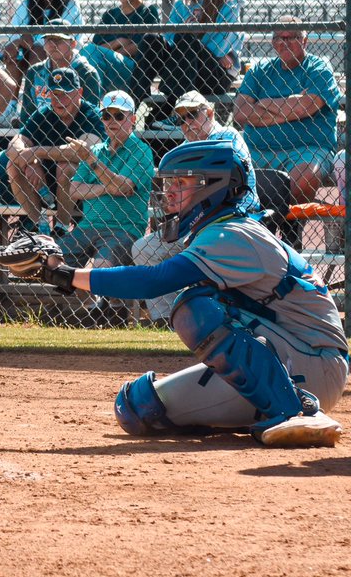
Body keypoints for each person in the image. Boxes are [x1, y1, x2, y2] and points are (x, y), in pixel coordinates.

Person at [37, 139, 345, 448]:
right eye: (170, 182)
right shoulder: (221, 229)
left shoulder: (234, 234)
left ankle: (294, 410)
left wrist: (64, 274)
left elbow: (155, 280)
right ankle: (266, 407)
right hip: (289, 353)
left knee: (192, 308)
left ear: (214, 186)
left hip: (314, 363)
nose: (169, 192)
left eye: (181, 182)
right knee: (137, 407)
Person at [131, 91, 257, 322]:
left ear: (209, 113)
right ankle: (168, 319)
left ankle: (207, 315)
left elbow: (229, 183)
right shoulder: (185, 146)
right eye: (181, 119)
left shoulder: (227, 136)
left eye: (192, 115)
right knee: (143, 249)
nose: (186, 123)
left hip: (232, 222)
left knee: (196, 251)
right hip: (194, 226)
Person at [233, 19, 340, 207]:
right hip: (257, 150)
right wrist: (292, 105)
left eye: (292, 37)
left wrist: (264, 103)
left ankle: (290, 226)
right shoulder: (260, 70)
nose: (284, 42)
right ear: (273, 42)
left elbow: (305, 106)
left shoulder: (319, 69)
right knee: (227, 169)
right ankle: (257, 225)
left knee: (307, 176)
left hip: (306, 150)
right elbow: (240, 113)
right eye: (279, 37)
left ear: (305, 41)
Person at [137, 0, 244, 114]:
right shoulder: (182, 4)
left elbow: (219, 47)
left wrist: (189, 37)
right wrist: (188, 39)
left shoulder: (227, 2)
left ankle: (174, 110)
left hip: (214, 75)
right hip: (182, 70)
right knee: (151, 39)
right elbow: (169, 41)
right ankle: (134, 101)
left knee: (185, 37)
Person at [58, 91, 154, 270]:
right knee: (52, 261)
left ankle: (104, 299)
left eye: (119, 116)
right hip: (87, 227)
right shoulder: (95, 150)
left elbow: (123, 186)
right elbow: (74, 190)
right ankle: (89, 299)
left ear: (132, 119)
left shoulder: (141, 150)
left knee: (101, 267)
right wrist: (107, 187)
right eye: (106, 116)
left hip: (124, 230)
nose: (112, 121)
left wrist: (92, 163)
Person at [4, 68, 104, 234]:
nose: (60, 99)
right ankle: (39, 227)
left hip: (86, 186)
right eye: (55, 93)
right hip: (45, 185)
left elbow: (81, 152)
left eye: (66, 93)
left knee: (65, 167)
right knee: (13, 166)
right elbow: (14, 146)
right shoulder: (44, 113)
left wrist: (37, 152)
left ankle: (60, 229)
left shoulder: (92, 114)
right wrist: (30, 163)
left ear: (79, 92)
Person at [80, 0, 161, 99]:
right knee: (88, 53)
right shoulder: (110, 15)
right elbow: (95, 47)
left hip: (134, 74)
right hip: (106, 71)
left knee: (91, 55)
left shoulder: (148, 11)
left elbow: (140, 47)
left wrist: (106, 53)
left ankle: (91, 107)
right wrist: (119, 41)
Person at [0, 0, 82, 88]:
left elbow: (65, 36)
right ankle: (12, 104)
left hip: (65, 52)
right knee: (13, 55)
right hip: (30, 54)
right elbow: (14, 38)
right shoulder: (26, 5)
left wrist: (30, 41)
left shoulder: (70, 4)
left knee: (38, 51)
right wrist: (19, 43)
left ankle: (38, 100)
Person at [16, 18, 101, 121]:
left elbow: (91, 117)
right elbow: (27, 115)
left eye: (59, 39)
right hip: (40, 130)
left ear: (73, 44)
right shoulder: (34, 72)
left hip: (76, 131)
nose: (53, 44)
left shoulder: (86, 73)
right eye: (49, 39)